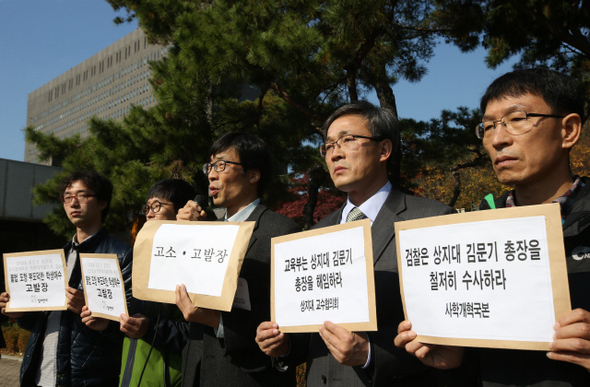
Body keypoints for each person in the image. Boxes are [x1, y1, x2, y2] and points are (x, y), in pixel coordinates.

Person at [395, 68, 590, 386]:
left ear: (568, 130)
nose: (498, 139)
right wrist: (456, 361)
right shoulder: (469, 235)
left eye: (517, 119)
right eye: (487, 127)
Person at [256, 101, 456, 386]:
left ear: (384, 150)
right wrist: (284, 345)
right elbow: (316, 335)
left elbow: (452, 336)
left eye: (348, 140)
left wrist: (370, 354)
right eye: (328, 146)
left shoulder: (431, 219)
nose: (335, 153)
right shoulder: (316, 233)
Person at [175, 133, 300, 386]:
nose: (211, 174)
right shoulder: (206, 231)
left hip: (247, 375)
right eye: (209, 166)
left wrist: (215, 320)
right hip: (197, 370)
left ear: (253, 175)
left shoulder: (282, 231)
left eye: (221, 165)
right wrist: (184, 236)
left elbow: (289, 326)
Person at [0, 170, 133, 386]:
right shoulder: (56, 259)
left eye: (82, 195)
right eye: (67, 197)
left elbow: (132, 326)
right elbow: (42, 323)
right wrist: (21, 313)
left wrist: (93, 311)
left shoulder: (122, 256)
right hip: (40, 375)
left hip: (87, 379)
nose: (73, 203)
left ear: (102, 203)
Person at [116, 179, 202, 387]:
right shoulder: (142, 258)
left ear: (183, 211)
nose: (149, 213)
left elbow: (198, 333)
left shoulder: (194, 262)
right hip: (132, 377)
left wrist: (151, 329)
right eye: (147, 207)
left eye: (157, 206)